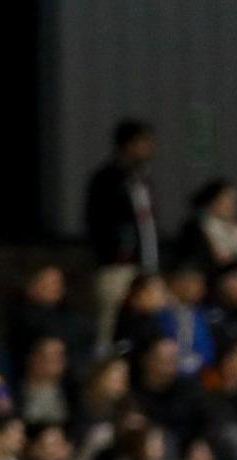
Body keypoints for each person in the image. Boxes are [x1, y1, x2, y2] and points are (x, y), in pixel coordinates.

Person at [84, 119, 160, 346]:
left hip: (144, 265)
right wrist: (117, 252)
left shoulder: (141, 181)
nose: (150, 148)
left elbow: (146, 226)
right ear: (129, 144)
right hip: (117, 267)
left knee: (146, 324)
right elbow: (97, 222)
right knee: (111, 324)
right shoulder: (107, 179)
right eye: (145, 142)